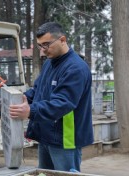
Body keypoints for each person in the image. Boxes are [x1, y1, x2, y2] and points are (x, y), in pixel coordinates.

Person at [9, 22, 93, 172]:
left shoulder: (75, 68)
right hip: (46, 135)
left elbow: (62, 103)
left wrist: (30, 111)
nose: (42, 51)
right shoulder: (50, 63)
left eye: (46, 45)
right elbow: (37, 90)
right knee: (45, 174)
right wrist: (19, 99)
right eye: (40, 46)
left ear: (62, 40)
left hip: (65, 140)